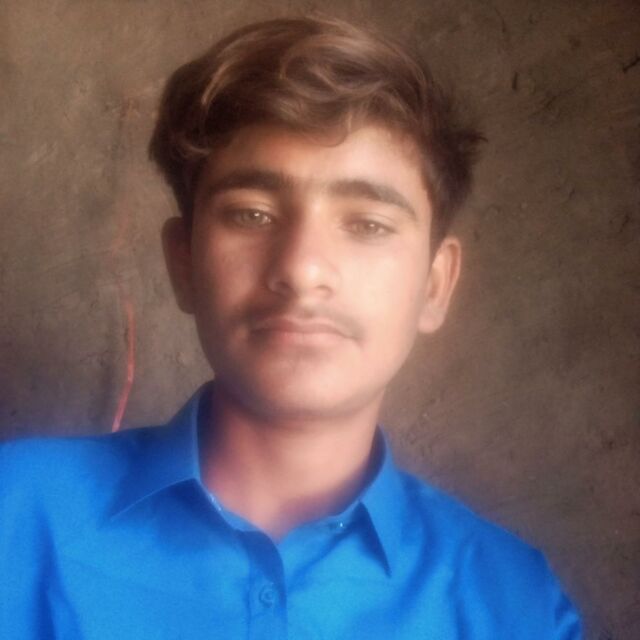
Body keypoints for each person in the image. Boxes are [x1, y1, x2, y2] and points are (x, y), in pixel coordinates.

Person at [0, 15, 582, 639]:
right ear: (184, 264)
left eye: (368, 225)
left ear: (435, 286)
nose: (302, 269)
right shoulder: (17, 516)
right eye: (251, 214)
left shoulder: (515, 603)